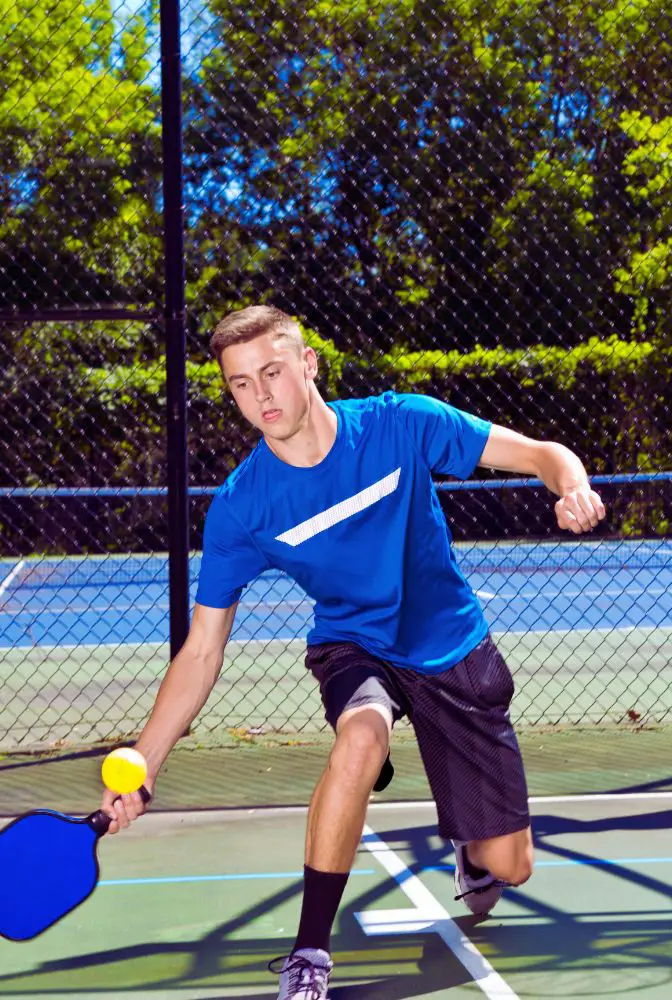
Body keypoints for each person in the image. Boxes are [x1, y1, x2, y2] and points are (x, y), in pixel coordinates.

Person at [100, 304, 605, 999]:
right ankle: (310, 953)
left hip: (449, 644)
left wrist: (572, 485)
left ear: (309, 365)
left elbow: (540, 454)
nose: (262, 397)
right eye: (241, 384)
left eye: (272, 372)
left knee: (511, 866)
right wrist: (144, 768)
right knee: (359, 741)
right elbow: (201, 652)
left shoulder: (399, 424)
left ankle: (474, 849)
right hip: (354, 644)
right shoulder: (243, 508)